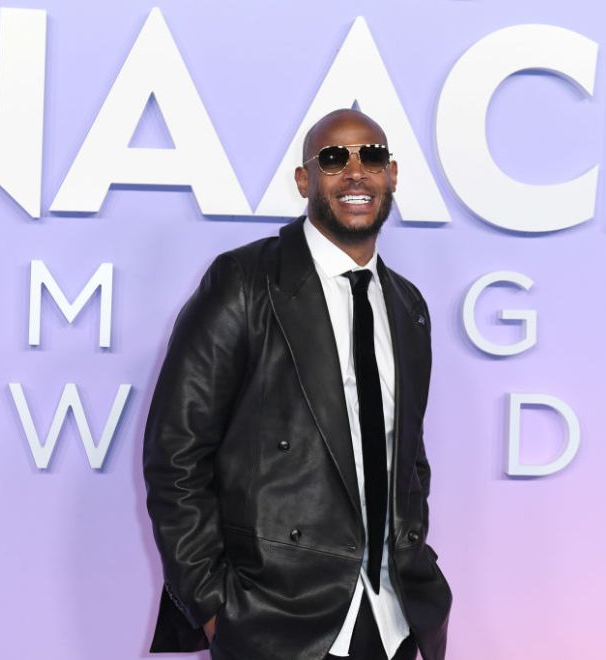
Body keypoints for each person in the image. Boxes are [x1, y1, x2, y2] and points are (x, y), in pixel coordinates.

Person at [143, 109, 451, 660]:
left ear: (393, 175)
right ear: (305, 180)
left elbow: (409, 460)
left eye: (372, 157)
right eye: (334, 159)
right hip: (276, 621)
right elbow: (176, 455)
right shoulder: (244, 282)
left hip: (395, 619)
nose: (355, 172)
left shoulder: (408, 306)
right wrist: (215, 607)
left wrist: (415, 557)